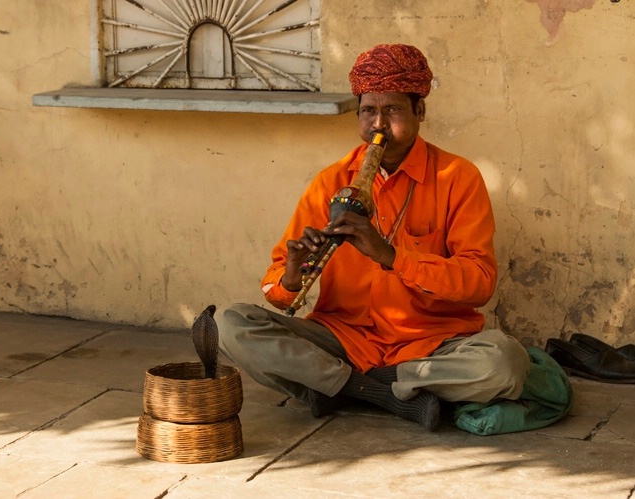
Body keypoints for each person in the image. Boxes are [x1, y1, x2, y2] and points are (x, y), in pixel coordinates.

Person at [217, 43, 530, 432]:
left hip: (429, 345)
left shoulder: (457, 178)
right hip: (343, 339)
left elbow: (479, 283)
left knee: (504, 363)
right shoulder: (332, 181)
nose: (378, 125)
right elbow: (277, 291)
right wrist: (293, 275)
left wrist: (391, 255)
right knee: (230, 324)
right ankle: (387, 393)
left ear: (420, 111)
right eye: (368, 111)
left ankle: (338, 388)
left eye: (393, 109)